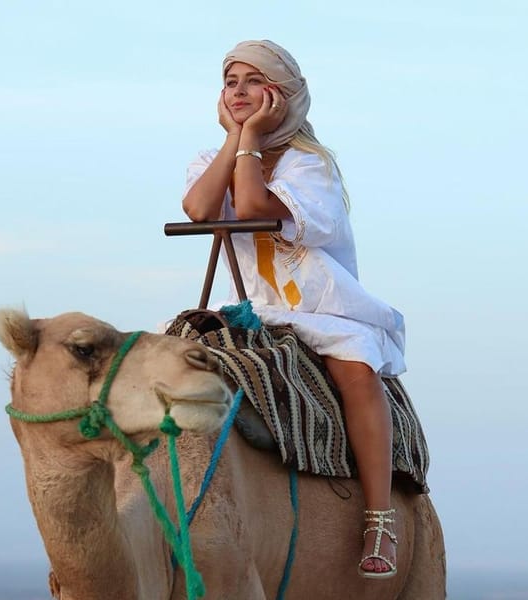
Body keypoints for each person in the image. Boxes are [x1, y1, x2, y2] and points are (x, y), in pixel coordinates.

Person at [181, 39, 406, 579]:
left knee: (354, 371)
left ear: (279, 96)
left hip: (323, 308)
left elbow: (256, 205)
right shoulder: (210, 160)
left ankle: (380, 518)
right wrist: (236, 139)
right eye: (230, 81)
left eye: (252, 82)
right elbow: (197, 208)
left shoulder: (311, 165)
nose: (238, 91)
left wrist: (251, 137)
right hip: (247, 303)